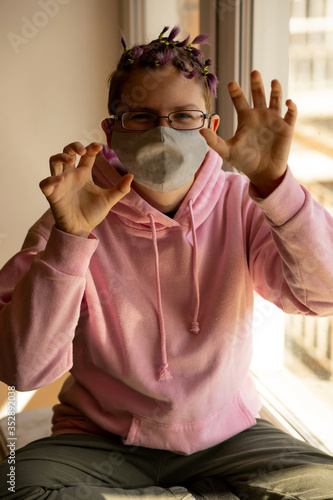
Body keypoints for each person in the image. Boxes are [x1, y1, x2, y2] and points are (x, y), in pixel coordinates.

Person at [1, 25, 333, 500]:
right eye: (141, 116)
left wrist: (277, 186)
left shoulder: (243, 204)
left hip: (229, 437)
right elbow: (23, 371)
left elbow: (323, 296)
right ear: (111, 129)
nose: (163, 130)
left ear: (211, 128)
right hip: (98, 441)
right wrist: (70, 240)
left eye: (183, 116)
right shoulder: (69, 216)